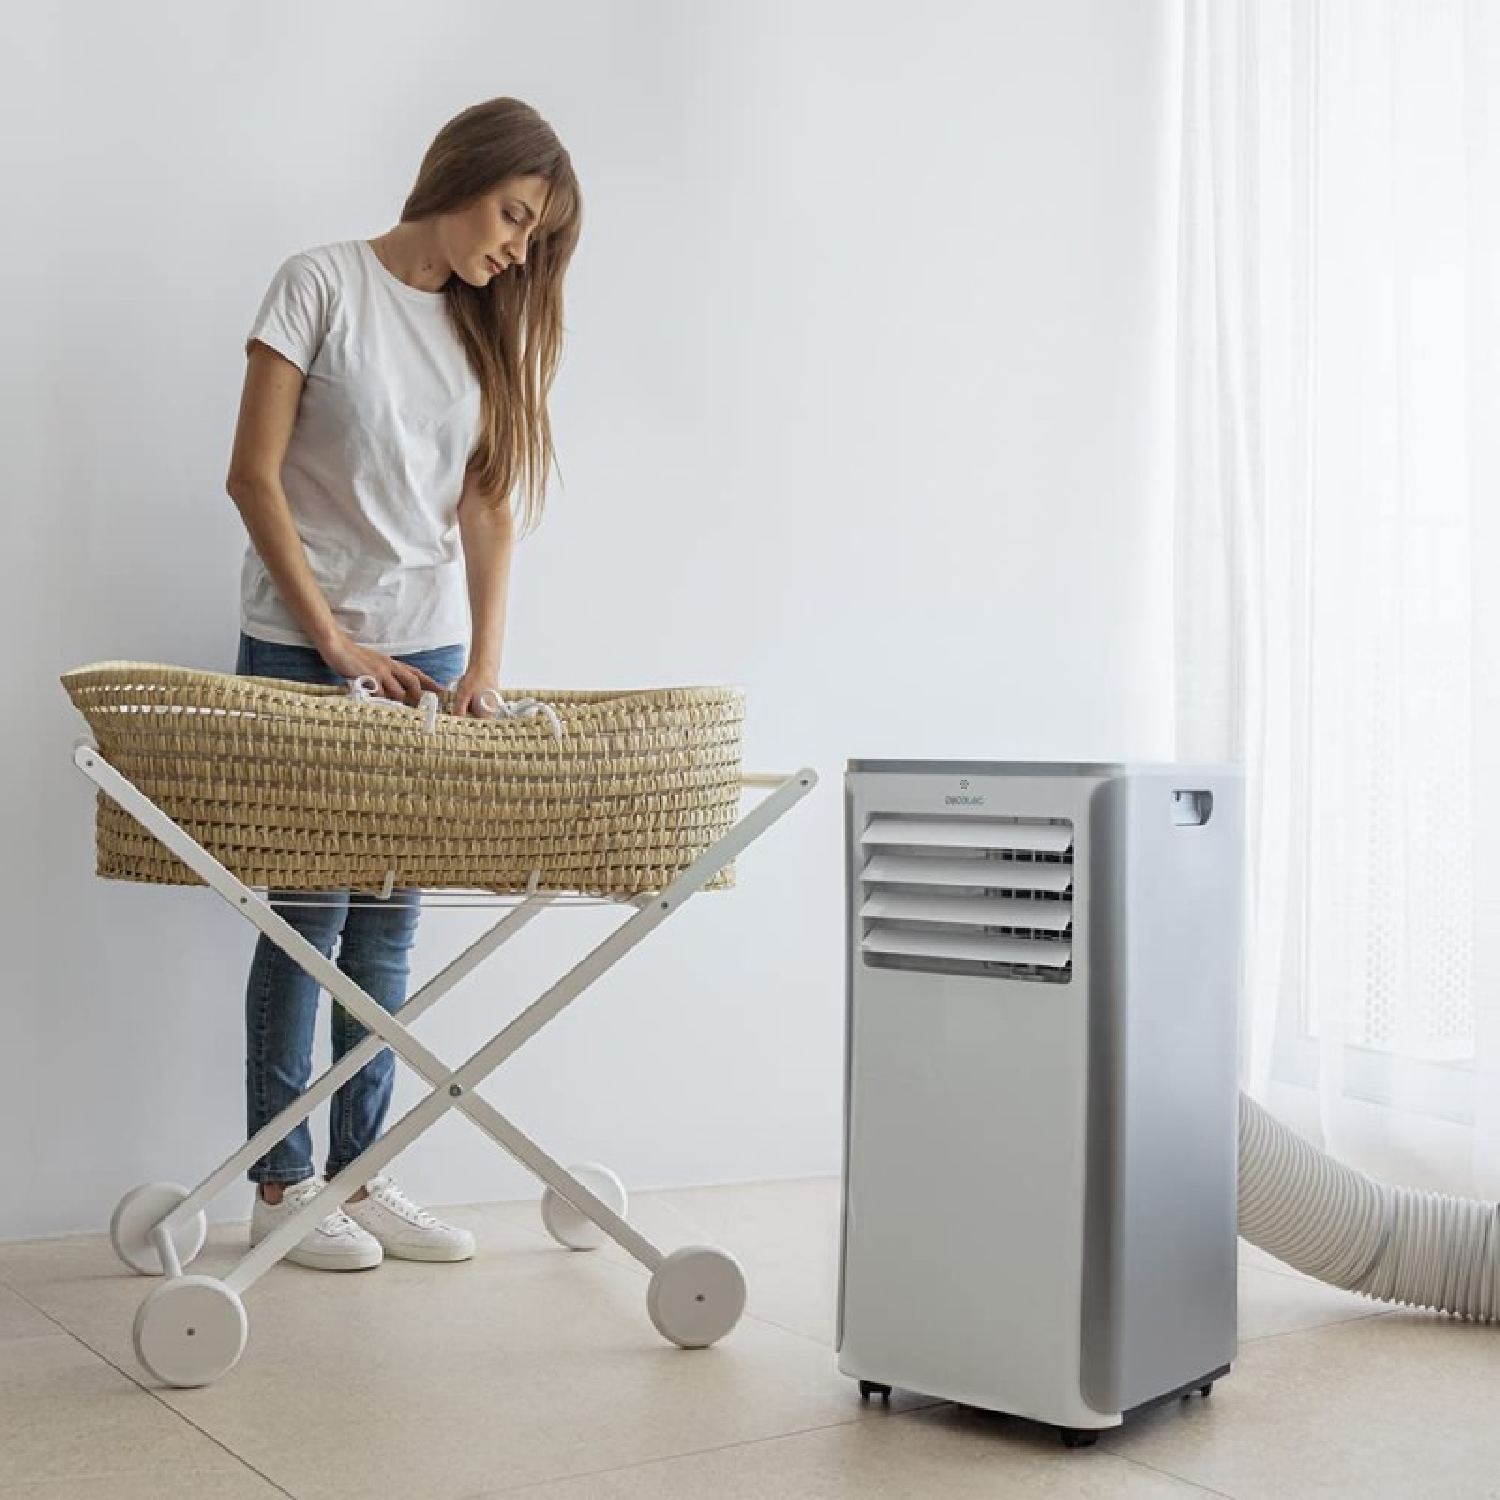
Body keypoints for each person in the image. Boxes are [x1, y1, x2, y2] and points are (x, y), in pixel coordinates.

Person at [224, 98, 581, 1270]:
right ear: (462, 174)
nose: (516, 249)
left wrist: (481, 664)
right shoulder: (319, 283)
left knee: (386, 935)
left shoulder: (484, 330)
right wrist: (330, 640)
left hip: (422, 661)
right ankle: (284, 1186)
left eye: (535, 238)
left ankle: (364, 1176)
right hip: (303, 646)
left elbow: (486, 507)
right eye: (514, 216)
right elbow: (253, 478)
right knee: (307, 925)